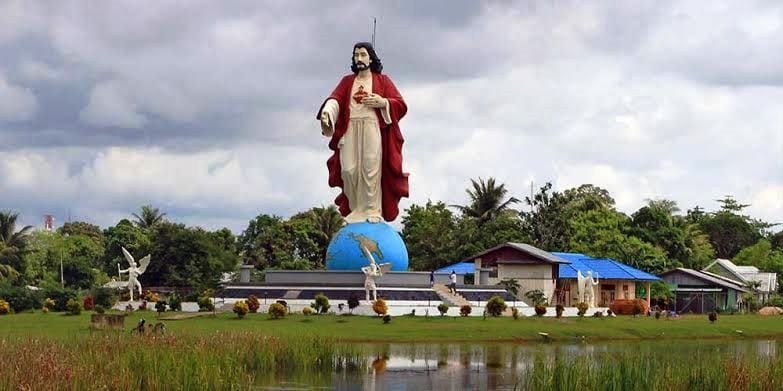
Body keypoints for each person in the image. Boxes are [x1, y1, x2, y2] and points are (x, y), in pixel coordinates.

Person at [317, 42, 409, 223]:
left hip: (371, 127)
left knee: (370, 168)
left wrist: (383, 102)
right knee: (349, 170)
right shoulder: (347, 81)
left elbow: (401, 104)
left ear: (371, 57)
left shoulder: (383, 81)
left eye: (363, 55)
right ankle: (356, 208)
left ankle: (371, 209)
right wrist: (328, 111)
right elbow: (335, 99)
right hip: (350, 129)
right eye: (356, 55)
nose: (359, 58)